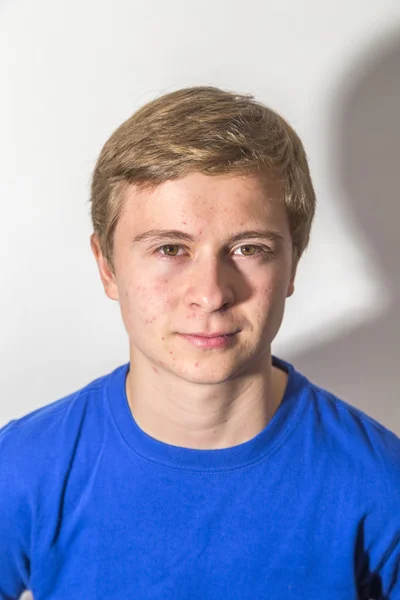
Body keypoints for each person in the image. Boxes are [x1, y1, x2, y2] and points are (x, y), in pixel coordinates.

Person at [1, 86, 399, 600]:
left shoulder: (381, 485)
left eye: (249, 248)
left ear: (293, 264)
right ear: (108, 266)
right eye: (171, 248)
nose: (210, 294)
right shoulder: (21, 470)